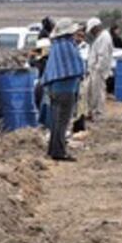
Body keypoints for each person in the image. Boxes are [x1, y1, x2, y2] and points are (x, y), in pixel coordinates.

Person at [41, 19, 85, 161]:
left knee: (56, 121)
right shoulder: (67, 46)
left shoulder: (56, 45)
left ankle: (53, 149)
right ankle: (59, 152)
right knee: (62, 122)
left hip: (55, 89)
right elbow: (77, 67)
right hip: (65, 90)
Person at [85, 17, 113, 122]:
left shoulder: (104, 37)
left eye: (92, 30)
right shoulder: (100, 37)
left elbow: (103, 56)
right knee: (92, 92)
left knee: (98, 92)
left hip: (98, 71)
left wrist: (98, 68)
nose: (91, 33)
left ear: (96, 28)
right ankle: (92, 112)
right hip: (94, 70)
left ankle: (98, 113)